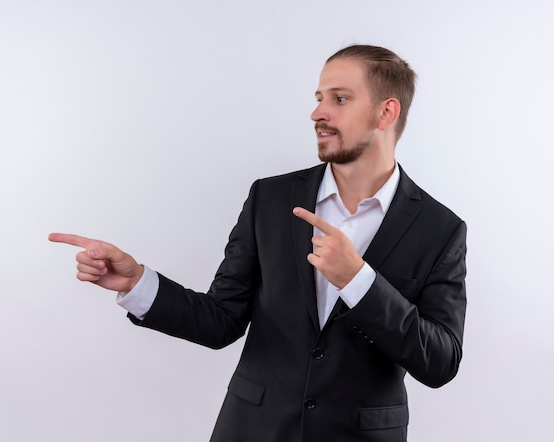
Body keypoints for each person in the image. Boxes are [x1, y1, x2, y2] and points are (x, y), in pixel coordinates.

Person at [50, 45, 467, 442]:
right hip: (253, 429)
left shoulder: (440, 229)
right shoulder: (271, 199)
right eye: (319, 97)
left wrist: (358, 281)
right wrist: (136, 282)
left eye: (339, 99)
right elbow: (221, 320)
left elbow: (441, 361)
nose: (317, 113)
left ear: (385, 112)